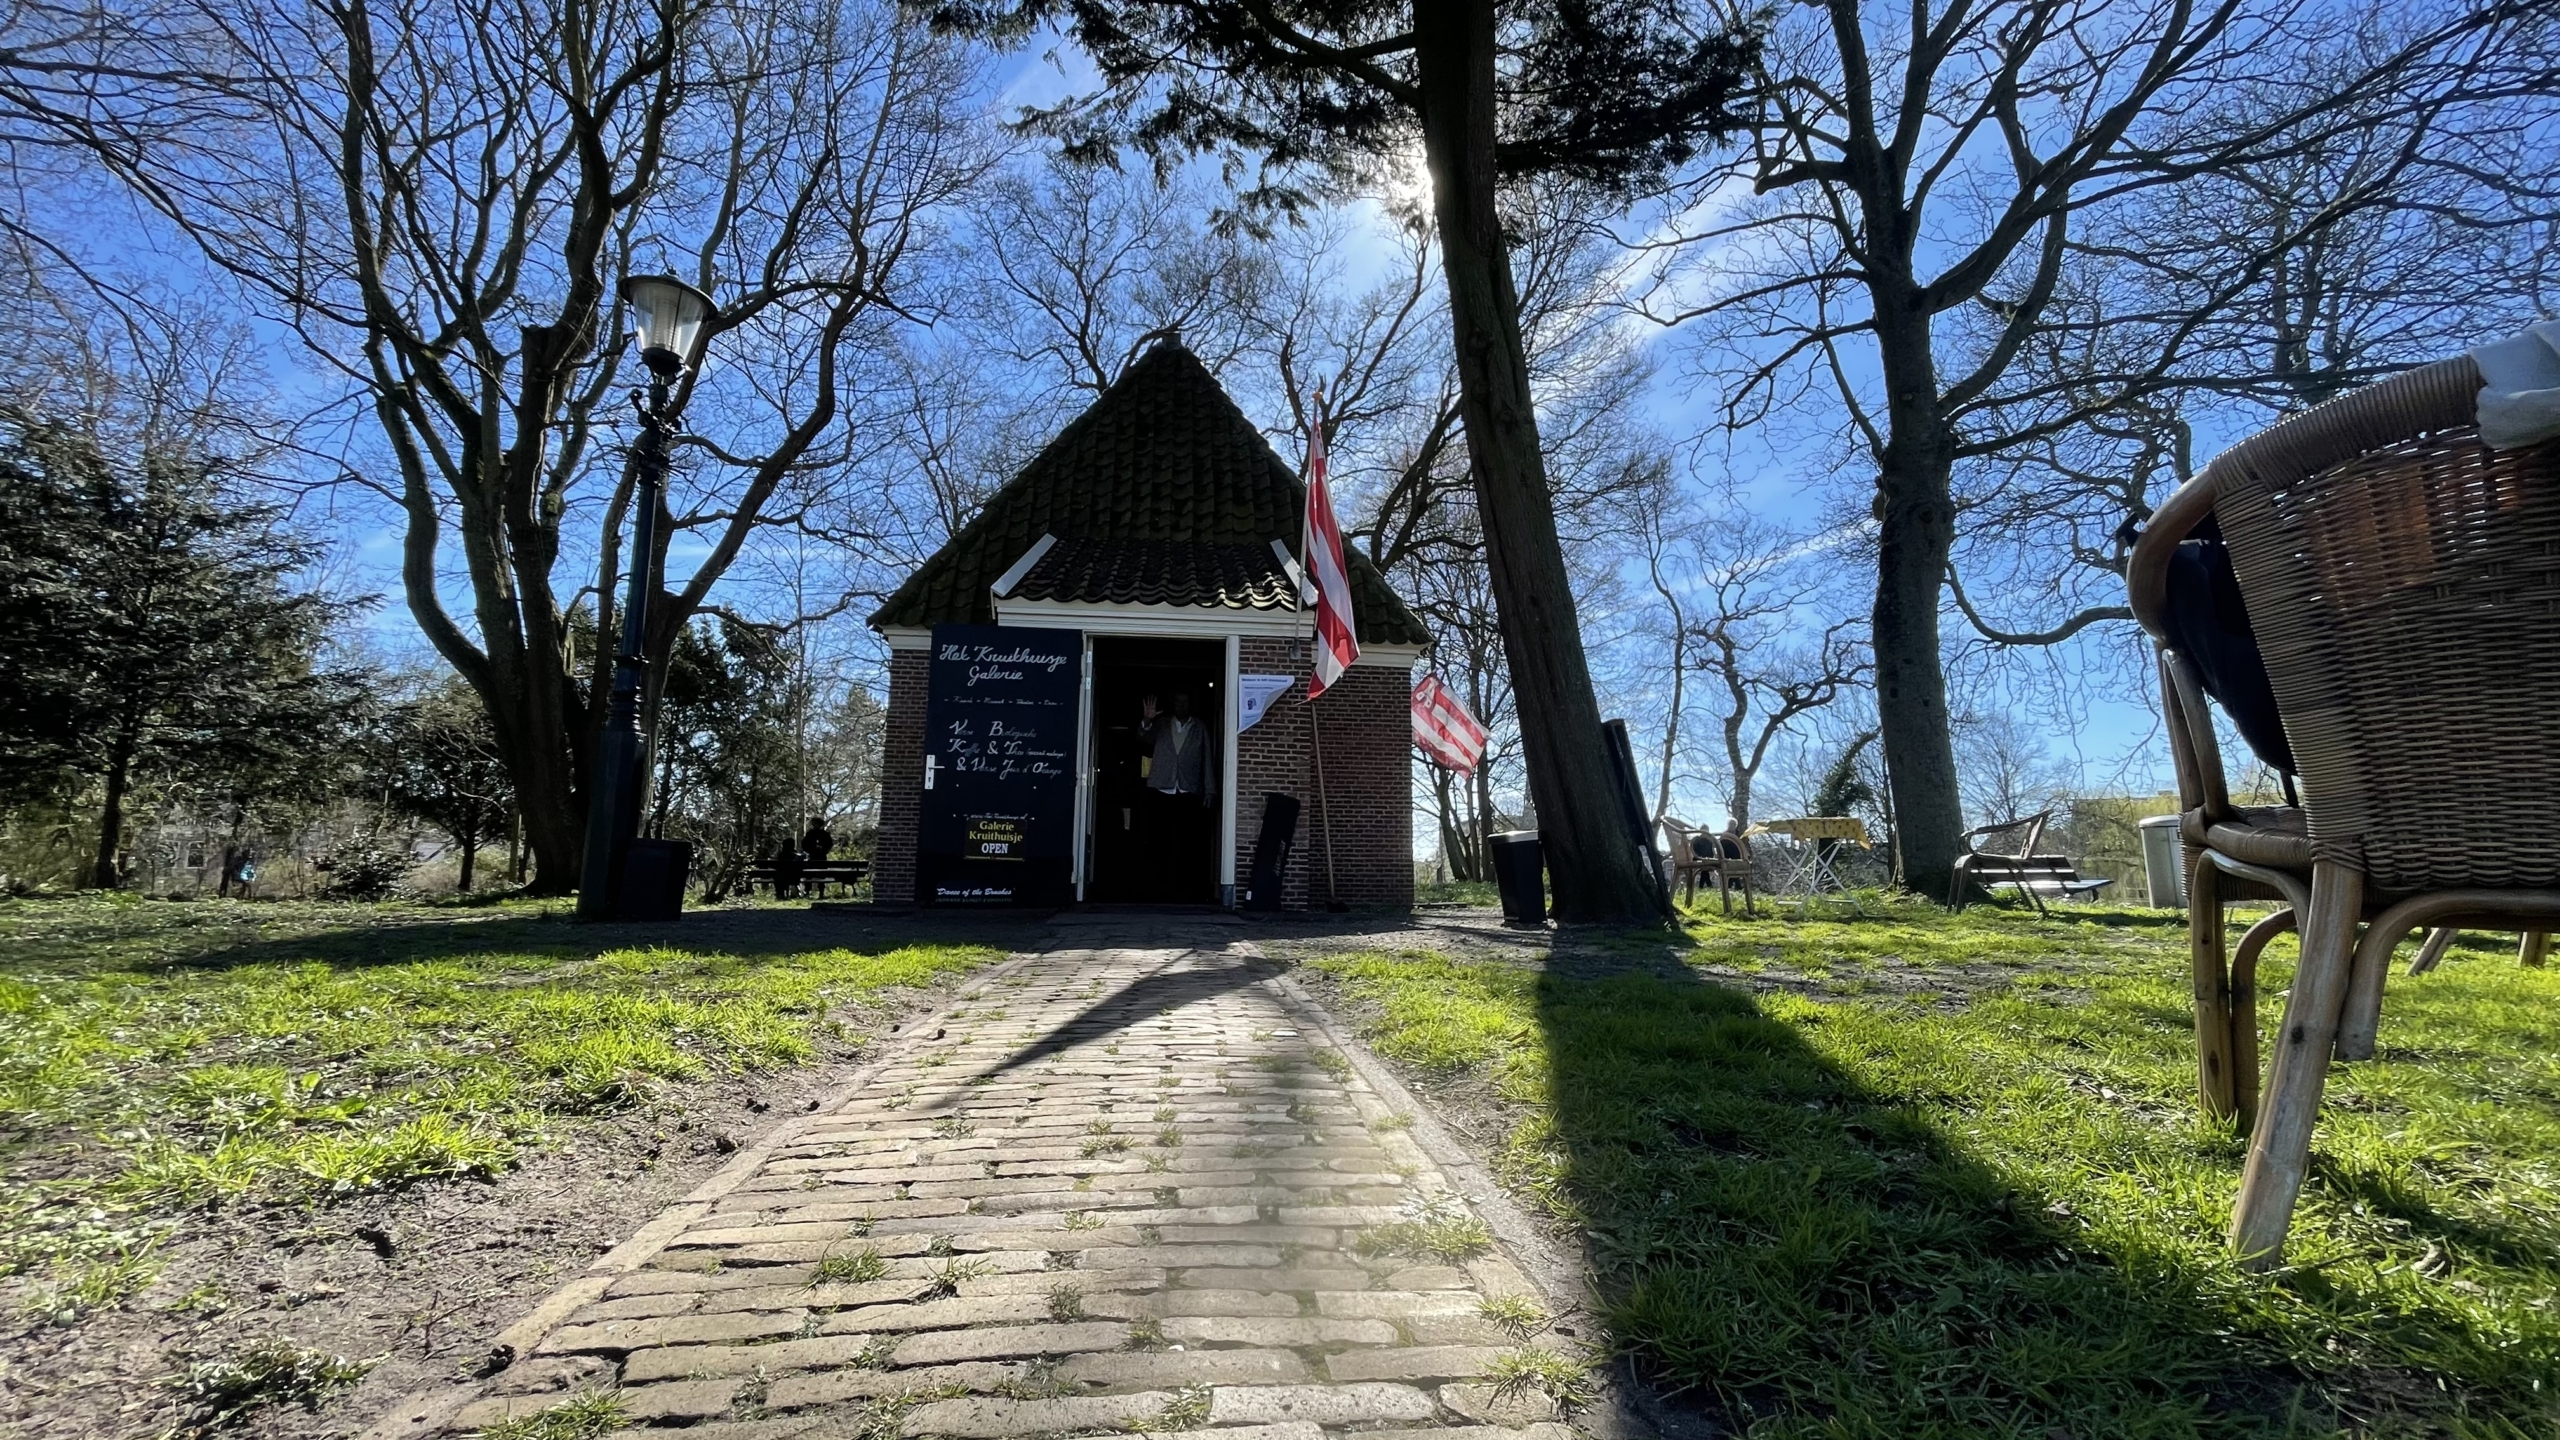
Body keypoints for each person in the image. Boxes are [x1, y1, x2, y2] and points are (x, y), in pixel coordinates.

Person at [1138, 692, 1214, 805]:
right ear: (1173, 704)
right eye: (1178, 701)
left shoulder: (1199, 727)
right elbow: (1143, 740)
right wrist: (1147, 720)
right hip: (1161, 788)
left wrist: (1210, 790)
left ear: (1190, 704)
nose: (1181, 705)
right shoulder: (1161, 724)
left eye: (1185, 702)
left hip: (1189, 789)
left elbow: (1207, 759)